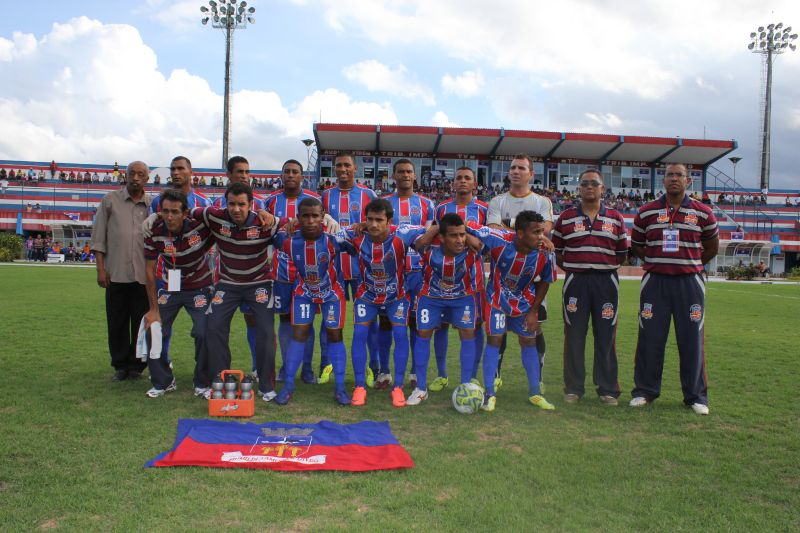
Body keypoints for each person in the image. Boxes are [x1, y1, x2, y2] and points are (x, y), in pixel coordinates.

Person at [629, 163, 719, 415]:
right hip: (655, 282)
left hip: (689, 283)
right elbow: (637, 245)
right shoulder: (646, 211)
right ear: (663, 180)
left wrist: (690, 264)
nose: (674, 178)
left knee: (692, 340)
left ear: (688, 181)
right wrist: (657, 261)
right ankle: (645, 391)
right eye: (669, 174)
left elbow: (712, 247)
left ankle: (695, 396)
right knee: (650, 338)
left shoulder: (703, 212)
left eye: (679, 175)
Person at [193, 182, 279, 401]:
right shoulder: (213, 216)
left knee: (266, 331)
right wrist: (155, 217)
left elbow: (292, 224)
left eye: (242, 204)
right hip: (228, 284)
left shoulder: (264, 222)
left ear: (251, 205)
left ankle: (266, 385)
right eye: (231, 204)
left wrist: (326, 218)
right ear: (226, 203)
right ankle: (221, 382)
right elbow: (188, 211)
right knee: (213, 328)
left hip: (259, 283)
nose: (236, 209)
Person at [336, 199, 425, 407]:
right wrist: (351, 226)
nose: (374, 224)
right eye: (370, 220)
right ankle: (359, 387)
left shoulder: (402, 234)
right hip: (367, 296)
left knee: (400, 335)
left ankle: (398, 387)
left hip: (396, 297)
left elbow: (428, 230)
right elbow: (333, 235)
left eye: (379, 220)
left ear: (389, 221)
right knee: (359, 334)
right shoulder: (357, 235)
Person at [551, 169, 628, 406]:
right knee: (574, 335)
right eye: (585, 183)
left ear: (602, 188)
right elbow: (557, 251)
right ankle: (573, 388)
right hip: (576, 282)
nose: (589, 187)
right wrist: (577, 267)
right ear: (579, 189)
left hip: (606, 283)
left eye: (594, 183)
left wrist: (601, 266)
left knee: (606, 336)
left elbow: (622, 253)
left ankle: (608, 389)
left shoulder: (615, 217)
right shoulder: (566, 217)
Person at [468, 211, 557, 411]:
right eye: (535, 232)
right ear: (520, 233)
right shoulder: (498, 239)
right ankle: (489, 394)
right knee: (495, 340)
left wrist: (534, 311)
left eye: (542, 232)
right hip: (496, 300)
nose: (541, 237)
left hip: (524, 303)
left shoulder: (546, 252)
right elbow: (465, 224)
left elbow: (546, 281)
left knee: (528, 341)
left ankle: (535, 393)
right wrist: (468, 236)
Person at [487, 154, 554, 391]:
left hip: (531, 279)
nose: (516, 171)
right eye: (513, 168)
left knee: (535, 327)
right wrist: (523, 233)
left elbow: (545, 228)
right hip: (503, 278)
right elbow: (492, 228)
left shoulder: (541, 202)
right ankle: (495, 376)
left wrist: (521, 233)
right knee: (498, 330)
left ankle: (538, 378)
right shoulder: (497, 201)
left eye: (521, 168)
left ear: (531, 174)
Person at [272, 198, 349, 405]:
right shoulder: (287, 240)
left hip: (332, 294)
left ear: (323, 217)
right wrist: (286, 224)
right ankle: (288, 386)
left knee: (335, 335)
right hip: (304, 292)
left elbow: (359, 241)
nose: (311, 220)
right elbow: (269, 233)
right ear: (298, 218)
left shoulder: (335, 238)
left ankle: (340, 388)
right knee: (299, 334)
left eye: (315, 216)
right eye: (305, 216)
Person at [142, 189, 215, 398]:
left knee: (204, 331)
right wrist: (153, 309)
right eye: (165, 211)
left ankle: (202, 382)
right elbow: (149, 269)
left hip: (199, 286)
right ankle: (163, 381)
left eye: (175, 212)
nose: (169, 216)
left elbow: (221, 223)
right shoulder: (153, 230)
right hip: (170, 287)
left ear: (185, 213)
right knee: (154, 327)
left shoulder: (199, 226)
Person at [407, 214, 484, 406]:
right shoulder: (430, 250)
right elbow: (418, 244)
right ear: (441, 237)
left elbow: (480, 245)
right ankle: (421, 388)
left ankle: (465, 386)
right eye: (453, 235)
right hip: (431, 297)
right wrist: (435, 228)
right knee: (423, 333)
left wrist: (465, 230)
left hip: (462, 297)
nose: (459, 240)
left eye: (462, 235)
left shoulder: (471, 249)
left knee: (468, 333)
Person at [90, 161, 153, 381]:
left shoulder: (152, 205)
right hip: (115, 273)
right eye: (132, 173)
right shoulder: (110, 201)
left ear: (147, 179)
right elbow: (99, 238)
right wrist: (100, 269)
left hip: (144, 277)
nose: (135, 178)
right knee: (117, 322)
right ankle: (120, 365)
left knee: (140, 322)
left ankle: (137, 366)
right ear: (125, 176)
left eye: (140, 174)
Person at [321, 153, 378, 383]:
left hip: (362, 268)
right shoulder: (325, 195)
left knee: (367, 321)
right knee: (330, 320)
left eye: (347, 165)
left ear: (355, 168)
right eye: (339, 166)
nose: (342, 169)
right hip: (333, 268)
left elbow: (380, 223)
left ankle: (372, 366)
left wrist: (366, 224)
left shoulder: (368, 195)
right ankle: (326, 365)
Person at [266, 160, 324, 386]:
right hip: (282, 273)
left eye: (295, 172)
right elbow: (266, 232)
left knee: (306, 321)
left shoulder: (314, 199)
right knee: (284, 320)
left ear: (302, 176)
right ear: (281, 175)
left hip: (308, 274)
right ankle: (286, 366)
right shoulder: (270, 201)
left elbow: (324, 229)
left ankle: (307, 368)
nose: (290, 175)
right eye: (287, 172)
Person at [431, 166, 488, 391]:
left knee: (475, 325)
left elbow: (488, 243)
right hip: (444, 278)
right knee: (441, 326)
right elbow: (435, 240)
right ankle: (441, 375)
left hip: (473, 279)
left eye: (467, 178)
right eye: (459, 178)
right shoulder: (441, 208)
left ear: (475, 184)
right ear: (453, 183)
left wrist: (474, 241)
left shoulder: (484, 209)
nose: (463, 181)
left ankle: (472, 376)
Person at [213, 156, 267, 380]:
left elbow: (274, 225)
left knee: (253, 320)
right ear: (228, 175)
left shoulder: (261, 203)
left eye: (247, 172)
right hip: (226, 277)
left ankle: (256, 367)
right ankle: (220, 372)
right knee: (218, 324)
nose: (245, 176)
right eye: (240, 172)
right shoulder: (215, 206)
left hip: (255, 277)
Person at [384, 159, 436, 389]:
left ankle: (415, 373)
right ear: (393, 176)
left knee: (416, 323)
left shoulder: (427, 204)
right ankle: (384, 372)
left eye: (409, 172)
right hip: (391, 273)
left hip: (418, 272)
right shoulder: (384, 203)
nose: (405, 175)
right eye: (401, 172)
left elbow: (429, 236)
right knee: (386, 323)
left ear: (415, 176)